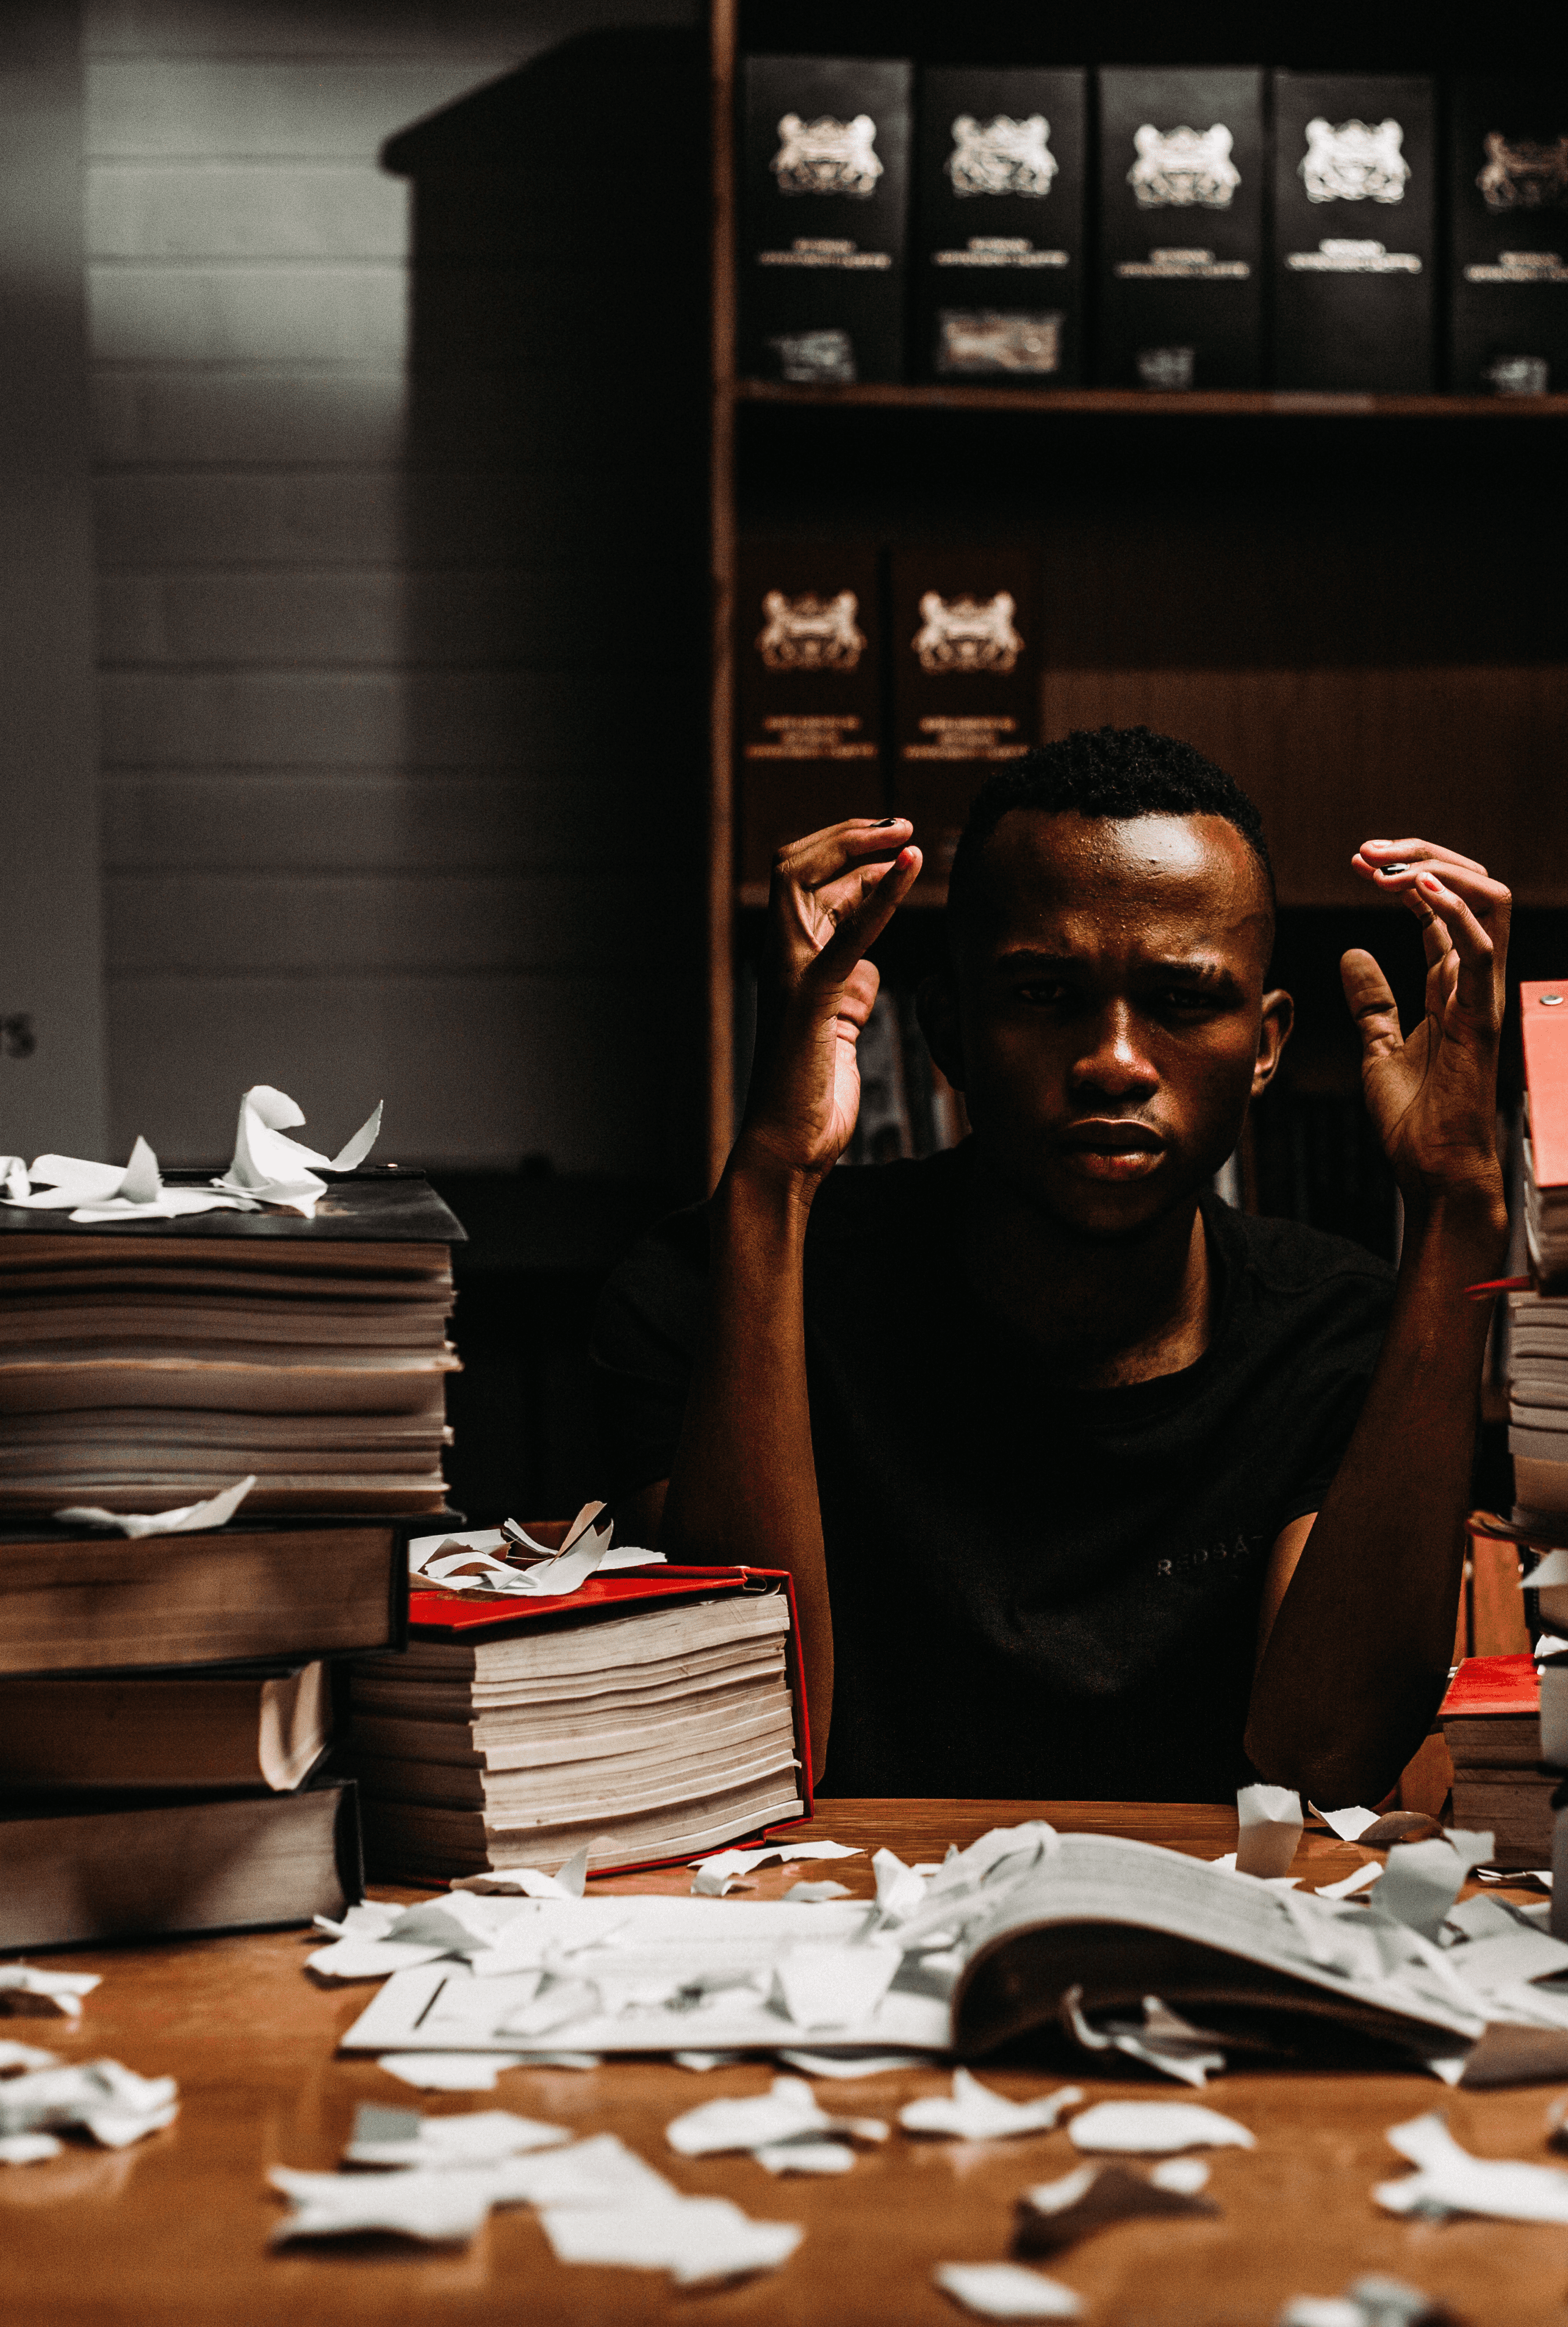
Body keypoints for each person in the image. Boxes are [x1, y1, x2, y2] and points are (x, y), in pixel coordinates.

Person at [592, 728, 1514, 1807]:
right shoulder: (712, 1289)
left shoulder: (1342, 1338)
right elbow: (738, 1745)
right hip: (811, 1955)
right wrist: (772, 1178)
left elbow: (1326, 1761)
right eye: (1043, 994)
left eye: (1181, 1001)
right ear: (947, 1032)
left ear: (1265, 1047)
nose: (1114, 1060)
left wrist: (1457, 1203)